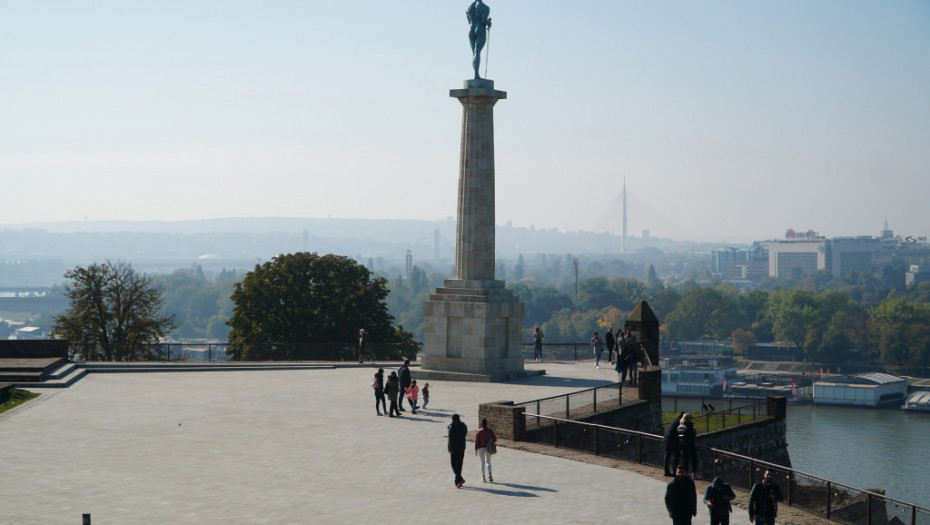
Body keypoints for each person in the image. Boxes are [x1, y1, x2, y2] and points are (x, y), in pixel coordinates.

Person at [466, 0, 491, 79]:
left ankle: (476, 74)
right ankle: (476, 74)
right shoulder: (485, 7)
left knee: (474, 53)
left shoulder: (469, 7)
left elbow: (469, 20)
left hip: (471, 29)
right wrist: (488, 23)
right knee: (477, 52)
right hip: (479, 29)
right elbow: (483, 20)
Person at [447, 414, 468, 488]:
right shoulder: (463, 425)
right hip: (462, 447)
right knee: (459, 464)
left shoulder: (452, 427)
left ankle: (460, 478)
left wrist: (449, 448)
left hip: (454, 448)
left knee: (453, 464)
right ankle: (457, 481)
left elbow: (450, 439)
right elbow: (465, 433)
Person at [475, 418, 497, 483]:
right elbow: (495, 439)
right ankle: (490, 473)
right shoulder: (490, 431)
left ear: (481, 424)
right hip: (488, 448)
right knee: (488, 462)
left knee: (482, 463)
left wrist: (476, 450)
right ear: (486, 424)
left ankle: (483, 477)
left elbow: (477, 442)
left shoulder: (479, 431)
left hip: (481, 448)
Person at [664, 412, 684, 476]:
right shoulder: (679, 422)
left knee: (667, 455)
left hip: (667, 438)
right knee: (677, 455)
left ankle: (666, 471)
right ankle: (675, 472)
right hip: (672, 439)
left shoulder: (675, 420)